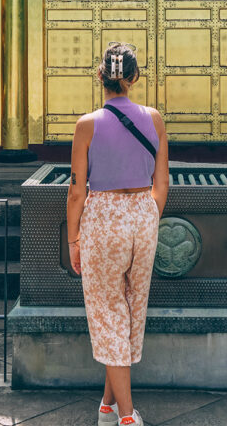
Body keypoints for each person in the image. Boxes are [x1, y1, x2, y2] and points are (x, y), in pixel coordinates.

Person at [67, 41, 169, 426]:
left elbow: (77, 189)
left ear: (100, 76)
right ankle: (107, 407)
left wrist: (74, 239)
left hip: (102, 218)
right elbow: (163, 181)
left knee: (107, 310)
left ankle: (127, 417)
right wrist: (145, 215)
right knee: (130, 308)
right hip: (144, 214)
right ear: (135, 77)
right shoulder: (154, 118)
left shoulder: (87, 125)